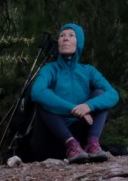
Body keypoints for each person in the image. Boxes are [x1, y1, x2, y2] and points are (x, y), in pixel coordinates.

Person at [29, 23, 119, 163]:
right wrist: (73, 109)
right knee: (43, 98)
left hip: (80, 141)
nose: (65, 38)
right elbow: (37, 92)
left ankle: (92, 144)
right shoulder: (49, 69)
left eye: (71, 35)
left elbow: (113, 94)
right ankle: (71, 144)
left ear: (79, 43)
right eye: (62, 35)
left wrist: (88, 106)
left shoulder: (88, 71)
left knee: (100, 94)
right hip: (52, 139)